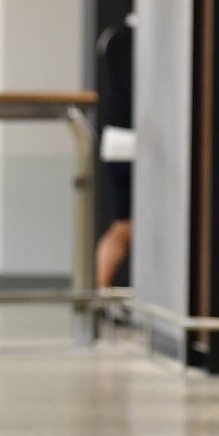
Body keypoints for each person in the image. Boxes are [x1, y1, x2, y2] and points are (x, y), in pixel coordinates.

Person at [94, 17, 135, 289]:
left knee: (122, 225)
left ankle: (102, 292)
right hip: (146, 141)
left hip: (115, 140)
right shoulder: (156, 40)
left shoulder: (110, 38)